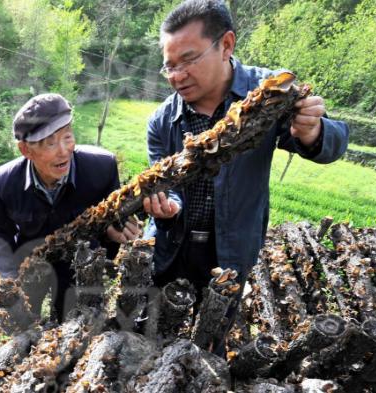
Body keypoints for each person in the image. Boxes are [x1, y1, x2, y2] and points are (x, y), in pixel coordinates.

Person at [143, 0, 349, 301]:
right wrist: (168, 206)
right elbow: (166, 185)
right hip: (170, 247)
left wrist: (312, 130)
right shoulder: (162, 120)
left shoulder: (268, 93)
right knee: (149, 325)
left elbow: (332, 143)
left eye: (188, 60)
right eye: (169, 66)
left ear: (226, 45)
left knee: (212, 332)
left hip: (229, 251)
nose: (177, 76)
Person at [0, 93, 140, 319]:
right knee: (26, 323)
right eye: (50, 142)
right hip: (32, 266)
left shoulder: (102, 168)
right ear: (26, 150)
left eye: (67, 137)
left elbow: (112, 221)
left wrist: (114, 233)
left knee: (71, 324)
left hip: (80, 269)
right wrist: (10, 277)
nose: (63, 150)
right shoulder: (5, 180)